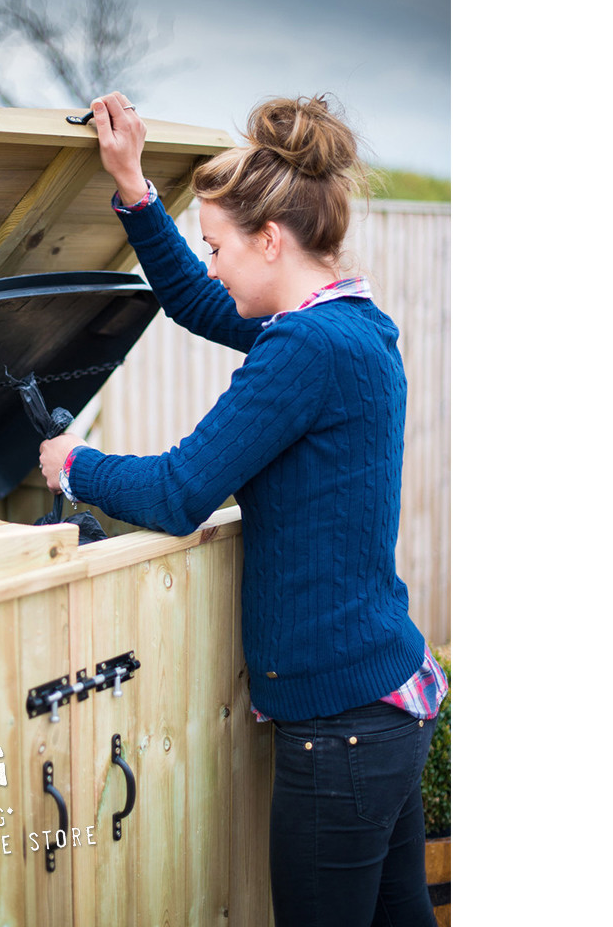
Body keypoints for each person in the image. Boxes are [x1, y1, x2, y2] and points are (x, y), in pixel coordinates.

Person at [39, 91, 448, 926]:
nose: (213, 263)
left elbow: (178, 493)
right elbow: (199, 301)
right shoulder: (351, 325)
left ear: (270, 239)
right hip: (383, 702)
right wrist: (134, 190)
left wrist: (73, 464)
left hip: (341, 733)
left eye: (218, 245)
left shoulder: (303, 348)